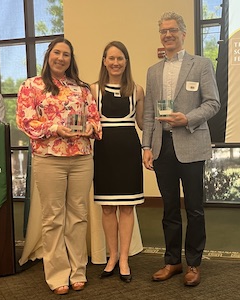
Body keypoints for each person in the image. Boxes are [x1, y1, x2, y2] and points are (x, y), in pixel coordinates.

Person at [16, 37, 102, 295]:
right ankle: (56, 275)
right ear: (48, 55)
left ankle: (78, 271)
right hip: (49, 159)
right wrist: (55, 128)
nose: (61, 58)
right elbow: (24, 122)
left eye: (66, 54)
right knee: (52, 218)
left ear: (70, 59)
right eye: (57, 53)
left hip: (81, 159)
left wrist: (89, 128)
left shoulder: (82, 88)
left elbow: (97, 122)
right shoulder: (32, 85)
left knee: (78, 217)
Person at [142, 12, 220, 286]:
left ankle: (194, 264)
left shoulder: (201, 65)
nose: (167, 35)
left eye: (173, 30)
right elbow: (149, 114)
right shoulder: (153, 71)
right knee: (169, 208)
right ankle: (173, 261)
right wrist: (146, 146)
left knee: (195, 209)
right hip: (162, 148)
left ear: (183, 34)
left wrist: (187, 118)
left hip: (191, 143)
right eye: (163, 31)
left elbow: (213, 103)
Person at [91, 41, 144, 283]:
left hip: (128, 151)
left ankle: (124, 258)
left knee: (127, 207)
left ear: (126, 61)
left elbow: (144, 123)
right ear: (104, 61)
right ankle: (111, 256)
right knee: (108, 207)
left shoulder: (137, 90)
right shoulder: (93, 91)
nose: (115, 62)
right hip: (104, 152)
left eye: (120, 58)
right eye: (111, 58)